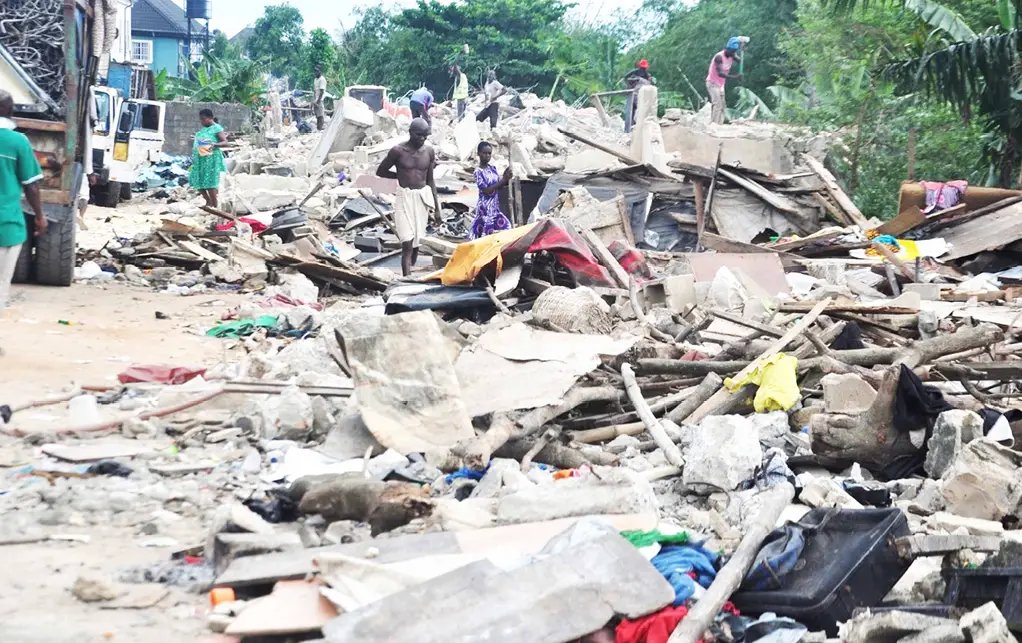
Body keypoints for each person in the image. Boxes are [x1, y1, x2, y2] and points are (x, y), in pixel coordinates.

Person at [376, 118, 441, 276]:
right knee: (407, 242)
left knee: (417, 241)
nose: (422, 139)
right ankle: (407, 279)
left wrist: (438, 209)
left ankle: (410, 270)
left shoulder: (429, 152)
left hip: (421, 199)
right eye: (419, 135)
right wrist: (399, 175)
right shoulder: (398, 151)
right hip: (404, 197)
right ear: (411, 133)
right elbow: (380, 171)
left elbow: (430, 180)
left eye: (425, 136)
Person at [0, 90, 47, 310]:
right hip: (7, 225)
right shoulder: (18, 142)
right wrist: (39, 216)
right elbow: (31, 185)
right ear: (9, 111)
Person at [471, 141, 512, 238]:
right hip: (485, 208)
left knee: (507, 227)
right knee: (486, 233)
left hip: (494, 207)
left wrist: (506, 178)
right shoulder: (478, 172)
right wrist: (503, 180)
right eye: (484, 153)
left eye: (489, 153)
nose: (487, 156)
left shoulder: (493, 168)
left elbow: (498, 187)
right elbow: (486, 190)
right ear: (479, 154)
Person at [189, 108, 228, 209]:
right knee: (197, 180)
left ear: (210, 118)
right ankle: (208, 201)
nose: (201, 121)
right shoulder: (203, 130)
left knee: (210, 181)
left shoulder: (217, 128)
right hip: (201, 158)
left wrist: (214, 144)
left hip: (211, 159)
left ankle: (214, 204)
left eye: (203, 119)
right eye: (200, 119)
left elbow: (225, 142)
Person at [706, 37, 744, 125]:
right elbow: (720, 73)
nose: (734, 53)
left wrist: (742, 50)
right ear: (727, 49)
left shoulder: (732, 55)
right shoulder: (719, 57)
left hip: (720, 84)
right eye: (732, 51)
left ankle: (720, 124)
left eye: (735, 51)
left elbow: (740, 61)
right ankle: (714, 125)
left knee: (723, 106)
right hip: (712, 83)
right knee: (717, 104)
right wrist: (736, 77)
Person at [623, 59, 653, 133]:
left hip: (637, 94)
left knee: (632, 110)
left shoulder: (643, 74)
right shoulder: (644, 75)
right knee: (636, 110)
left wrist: (629, 85)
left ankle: (631, 127)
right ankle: (632, 127)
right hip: (637, 94)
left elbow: (625, 77)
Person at [312, 65, 327, 131]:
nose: (316, 72)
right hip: (316, 99)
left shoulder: (322, 79)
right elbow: (315, 90)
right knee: (317, 114)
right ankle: (318, 128)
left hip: (320, 99)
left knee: (320, 114)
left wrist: (318, 101)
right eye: (315, 71)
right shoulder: (315, 79)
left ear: (320, 71)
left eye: (317, 71)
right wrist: (314, 100)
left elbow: (322, 91)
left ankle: (320, 128)